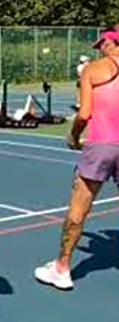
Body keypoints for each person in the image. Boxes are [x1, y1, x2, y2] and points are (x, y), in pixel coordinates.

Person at [34, 30, 119, 291]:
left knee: (78, 209)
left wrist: (73, 137)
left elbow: (83, 114)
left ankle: (62, 267)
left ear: (110, 41)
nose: (99, 48)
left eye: (102, 43)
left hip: (101, 145)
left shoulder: (92, 70)